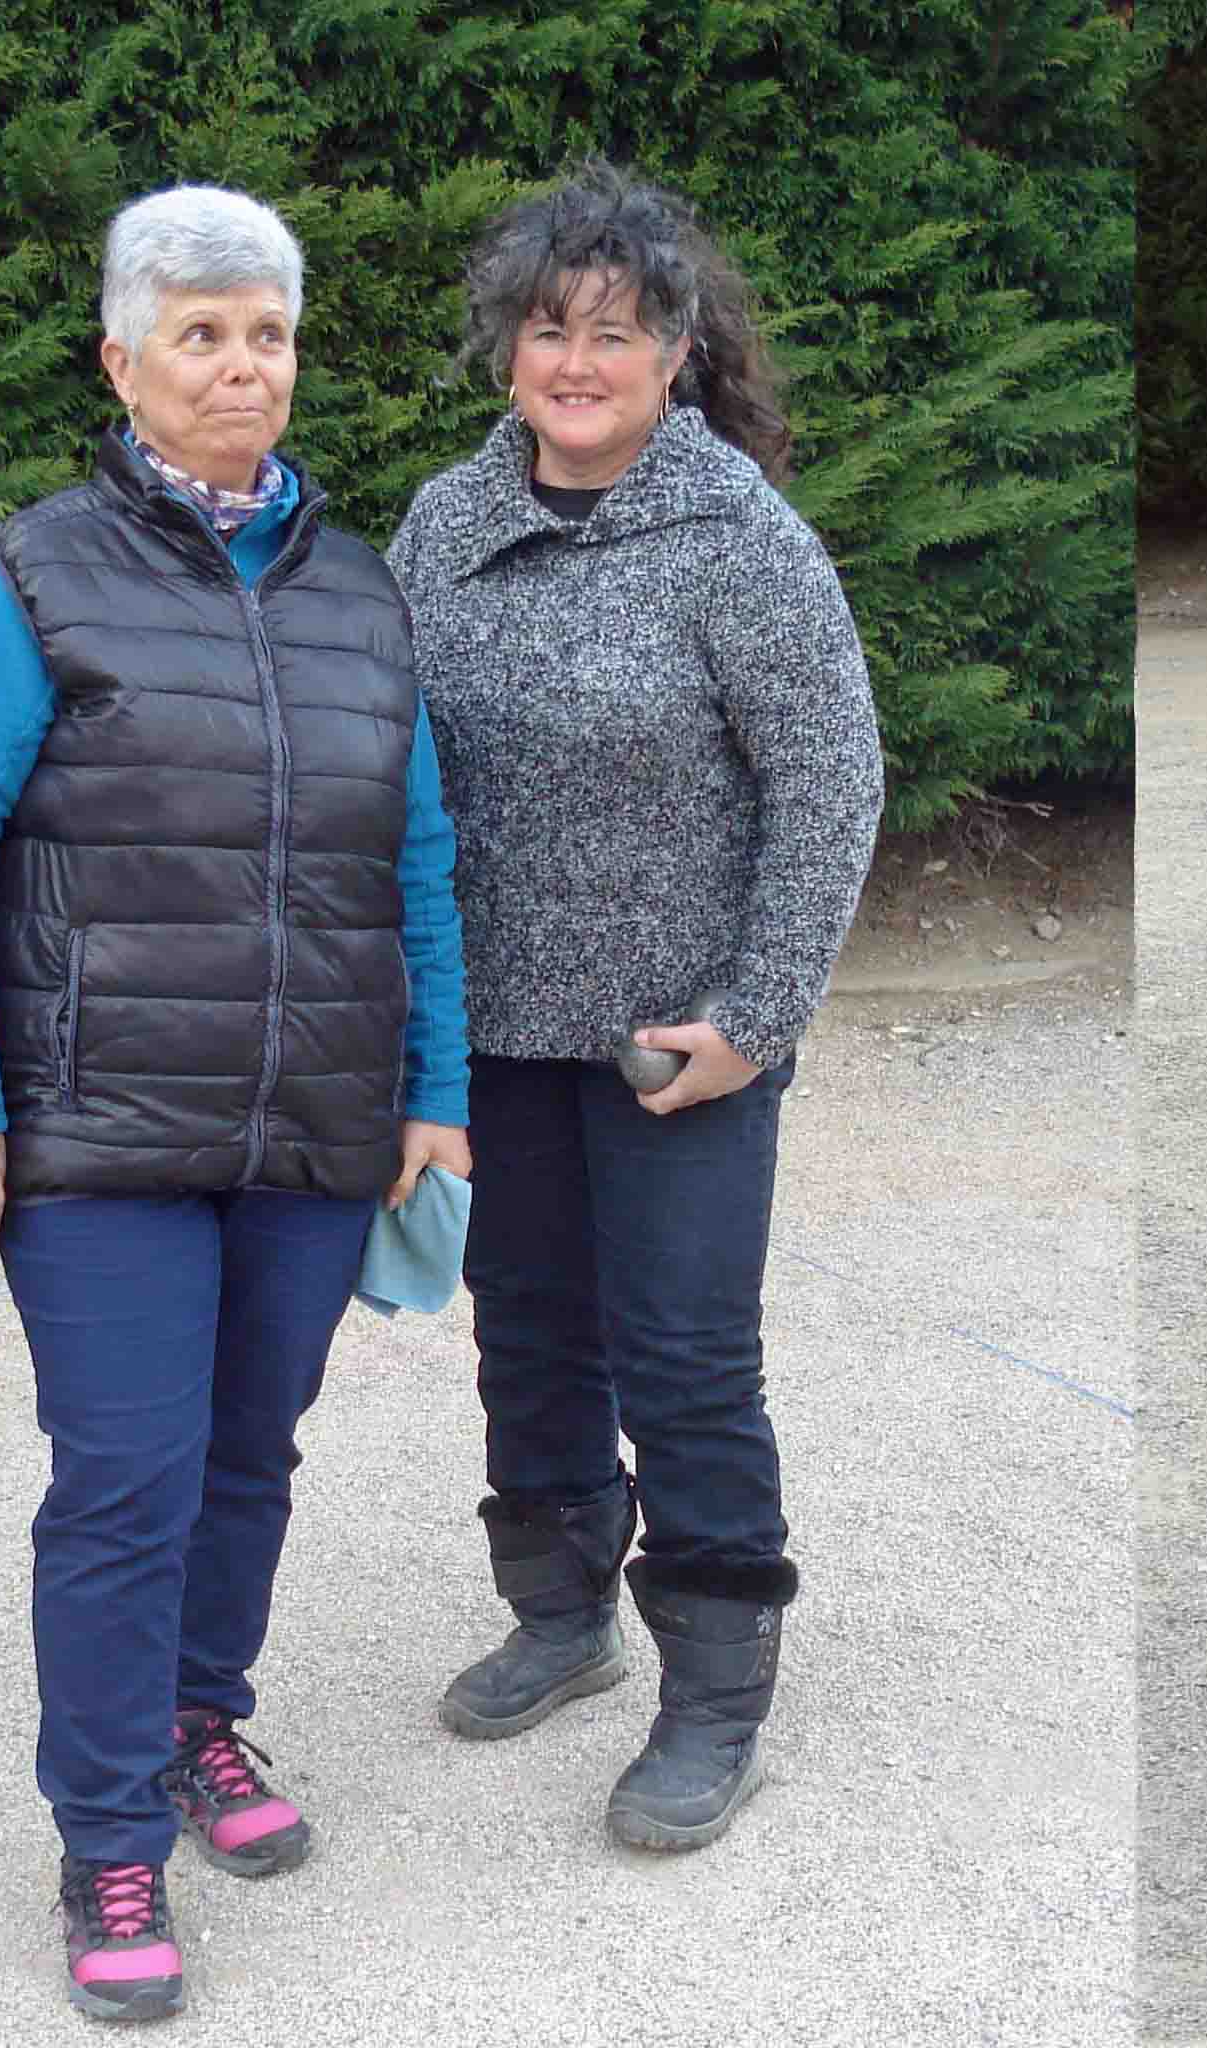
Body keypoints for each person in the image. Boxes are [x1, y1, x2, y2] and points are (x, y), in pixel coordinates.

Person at [0, 185, 472, 2020]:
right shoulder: (26, 584)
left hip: (310, 1126)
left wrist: (433, 1092)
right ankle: (108, 1833)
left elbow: (416, 859)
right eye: (199, 333)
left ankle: (200, 1716)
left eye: (266, 333)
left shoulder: (361, 592)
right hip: (99, 1134)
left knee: (247, 1457)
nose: (239, 365)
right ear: (122, 360)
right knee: (127, 1480)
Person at [388, 161, 883, 1854]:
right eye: (548, 331)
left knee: (683, 1359)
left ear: (677, 351)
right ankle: (559, 1614)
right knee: (528, 1340)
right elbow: (395, 770)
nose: (577, 363)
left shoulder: (741, 539)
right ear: (507, 351)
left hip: (683, 1046)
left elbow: (830, 786)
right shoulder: (444, 525)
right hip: (492, 1035)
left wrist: (756, 1016)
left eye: (613, 333)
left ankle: (716, 1687)